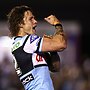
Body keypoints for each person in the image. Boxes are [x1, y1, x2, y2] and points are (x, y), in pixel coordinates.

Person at [7, 5, 67, 90]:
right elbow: (62, 44)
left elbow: (55, 67)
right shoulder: (26, 41)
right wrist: (57, 24)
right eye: (30, 19)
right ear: (20, 23)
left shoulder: (20, 44)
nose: (35, 21)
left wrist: (52, 50)